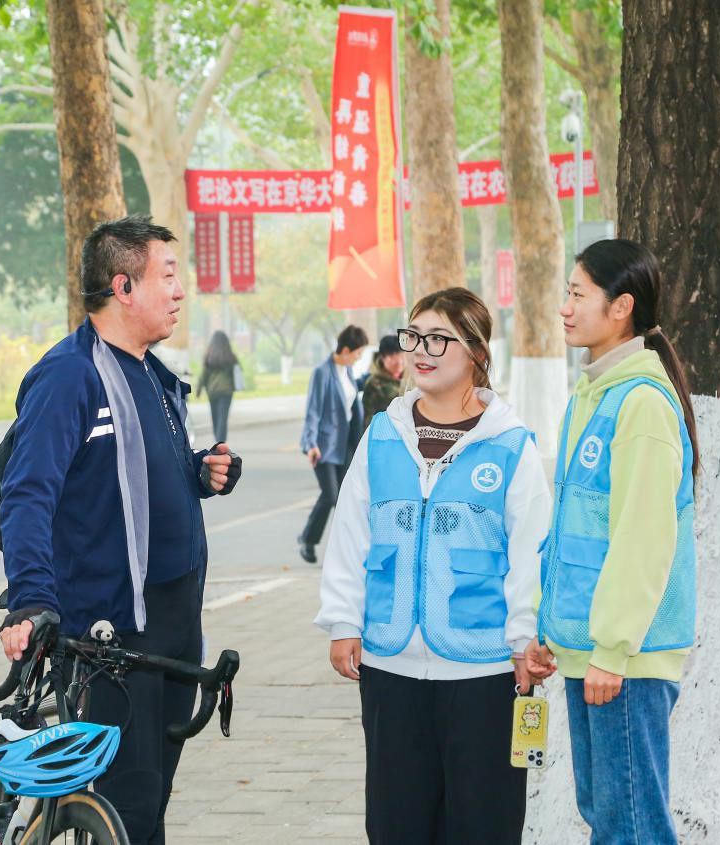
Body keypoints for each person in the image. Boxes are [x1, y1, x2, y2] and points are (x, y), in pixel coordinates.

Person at [0, 215, 244, 845]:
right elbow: (29, 492)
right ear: (123, 287)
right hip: (111, 629)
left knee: (150, 799)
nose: (180, 290)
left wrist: (201, 474)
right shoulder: (69, 375)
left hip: (173, 621)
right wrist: (30, 598)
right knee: (126, 807)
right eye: (167, 275)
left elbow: (131, 476)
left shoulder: (152, 372)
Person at [315, 288, 551, 845]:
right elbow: (350, 533)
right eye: (413, 336)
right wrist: (344, 622)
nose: (421, 350)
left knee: (483, 825)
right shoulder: (382, 435)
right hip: (389, 665)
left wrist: (525, 639)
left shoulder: (511, 446)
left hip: (484, 671)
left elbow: (531, 554)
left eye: (439, 338)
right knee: (396, 824)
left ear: (475, 350)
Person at [524, 239, 699, 845]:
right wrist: (553, 632)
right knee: (608, 815)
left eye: (577, 294)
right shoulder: (591, 396)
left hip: (624, 660)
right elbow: (576, 528)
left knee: (630, 827)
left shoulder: (642, 405)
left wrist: (613, 650)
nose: (565, 307)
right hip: (593, 650)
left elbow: (643, 540)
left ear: (620, 306)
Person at [298, 324, 368, 563]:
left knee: (344, 500)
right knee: (330, 496)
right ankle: (308, 539)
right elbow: (313, 411)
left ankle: (345, 551)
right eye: (358, 353)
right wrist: (310, 443)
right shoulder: (322, 372)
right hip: (324, 446)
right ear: (347, 350)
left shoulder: (347, 372)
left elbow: (350, 398)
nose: (359, 357)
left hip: (345, 445)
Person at [195, 330, 240, 443]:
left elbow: (203, 375)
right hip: (226, 392)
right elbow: (236, 374)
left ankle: (218, 441)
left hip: (212, 392)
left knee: (215, 417)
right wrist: (235, 387)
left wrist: (199, 389)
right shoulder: (230, 357)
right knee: (222, 418)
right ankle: (220, 442)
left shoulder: (209, 357)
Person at [360, 334, 405, 431]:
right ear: (382, 358)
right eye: (393, 358)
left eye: (401, 356)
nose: (399, 362)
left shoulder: (411, 378)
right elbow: (368, 420)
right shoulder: (373, 383)